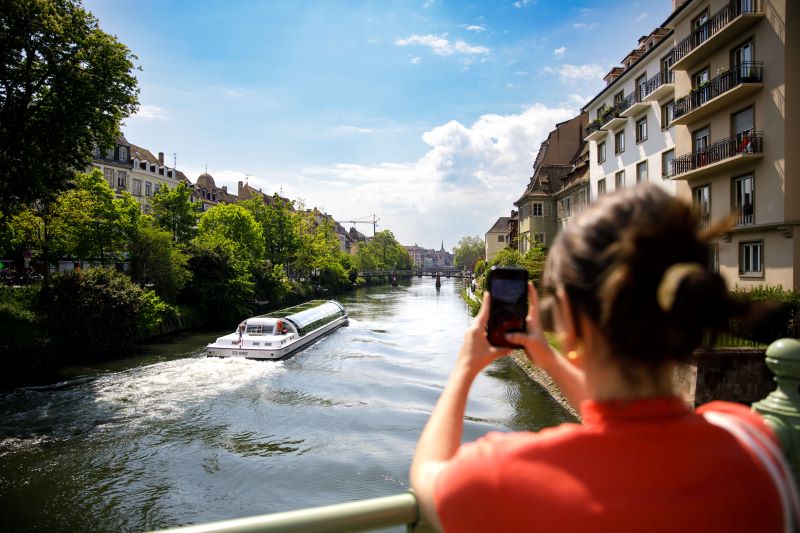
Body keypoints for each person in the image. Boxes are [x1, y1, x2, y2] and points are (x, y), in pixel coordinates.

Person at [410, 185, 788, 532]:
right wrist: (550, 359)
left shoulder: (504, 475)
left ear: (570, 322)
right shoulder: (754, 442)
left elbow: (428, 475)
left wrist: (464, 367)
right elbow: (631, 423)